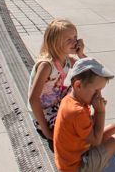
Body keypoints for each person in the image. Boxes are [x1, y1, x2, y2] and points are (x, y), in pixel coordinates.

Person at [53, 57, 115, 172]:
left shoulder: (72, 99)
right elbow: (96, 141)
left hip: (76, 154)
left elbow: (91, 130)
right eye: (96, 90)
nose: (98, 95)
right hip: (76, 166)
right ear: (78, 85)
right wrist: (100, 112)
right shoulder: (77, 111)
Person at [28, 19, 86, 149]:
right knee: (66, 136)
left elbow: (89, 70)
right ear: (56, 43)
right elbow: (33, 99)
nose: (75, 42)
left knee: (85, 85)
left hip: (57, 101)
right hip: (45, 112)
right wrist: (46, 131)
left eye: (75, 37)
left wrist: (81, 54)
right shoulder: (47, 65)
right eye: (69, 40)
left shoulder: (66, 58)